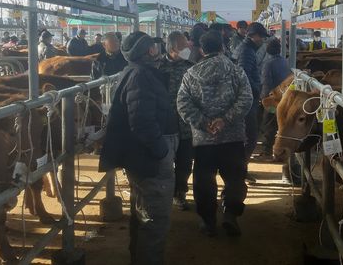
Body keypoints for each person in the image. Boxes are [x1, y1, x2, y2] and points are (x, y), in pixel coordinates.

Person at [100, 31, 177, 265]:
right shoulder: (141, 76)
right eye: (152, 46)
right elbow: (141, 122)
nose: (157, 49)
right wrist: (161, 150)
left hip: (144, 158)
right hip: (150, 160)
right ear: (146, 51)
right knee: (154, 220)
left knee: (143, 214)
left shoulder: (137, 73)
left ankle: (140, 257)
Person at [176, 31, 253, 237]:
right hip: (233, 137)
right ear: (222, 47)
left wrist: (203, 122)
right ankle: (230, 216)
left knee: (204, 180)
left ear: (201, 49)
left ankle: (208, 222)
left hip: (204, 140)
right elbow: (246, 99)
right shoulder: (236, 71)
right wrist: (225, 119)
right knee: (235, 178)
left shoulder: (191, 74)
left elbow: (183, 104)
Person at [158, 32, 194, 211]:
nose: (188, 49)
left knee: (185, 162)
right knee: (164, 161)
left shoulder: (191, 67)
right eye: (183, 46)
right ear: (172, 48)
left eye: (187, 45)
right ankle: (163, 193)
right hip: (164, 125)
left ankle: (180, 192)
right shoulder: (157, 67)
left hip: (186, 125)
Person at [236, 22, 268, 179]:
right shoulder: (246, 51)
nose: (262, 40)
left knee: (249, 137)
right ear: (253, 36)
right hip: (248, 101)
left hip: (249, 99)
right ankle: (239, 171)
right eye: (261, 37)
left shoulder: (247, 49)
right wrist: (255, 91)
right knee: (250, 137)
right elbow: (243, 74)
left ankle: (241, 169)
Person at [260, 38, 290, 156]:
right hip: (284, 96)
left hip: (273, 98)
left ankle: (267, 151)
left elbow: (266, 83)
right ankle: (281, 150)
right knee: (280, 124)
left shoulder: (268, 64)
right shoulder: (284, 61)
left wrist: (263, 98)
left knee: (269, 124)